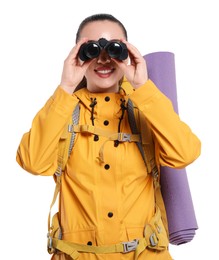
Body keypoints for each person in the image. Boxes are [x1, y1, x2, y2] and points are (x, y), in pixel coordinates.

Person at [16, 13, 201, 260]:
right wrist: (66, 87)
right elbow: (33, 162)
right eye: (91, 49)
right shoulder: (63, 111)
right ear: (77, 54)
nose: (103, 58)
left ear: (128, 51)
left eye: (115, 48)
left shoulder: (146, 106)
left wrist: (143, 87)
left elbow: (185, 153)